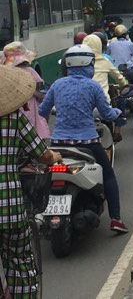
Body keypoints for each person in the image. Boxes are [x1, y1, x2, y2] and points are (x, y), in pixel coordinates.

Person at [39, 45, 129, 233]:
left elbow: (42, 111)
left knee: (44, 176)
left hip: (58, 144)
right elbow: (107, 113)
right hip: (88, 142)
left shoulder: (57, 84)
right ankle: (116, 219)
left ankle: (38, 215)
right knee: (108, 175)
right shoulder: (93, 86)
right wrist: (117, 112)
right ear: (89, 64)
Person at [0, 66, 61, 297]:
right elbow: (41, 153)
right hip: (10, 210)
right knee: (20, 261)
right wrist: (53, 156)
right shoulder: (14, 117)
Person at [83, 34, 128, 142]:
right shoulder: (105, 60)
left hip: (83, 104)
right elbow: (119, 78)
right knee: (119, 106)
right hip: (103, 105)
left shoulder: (80, 62)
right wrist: (124, 83)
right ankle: (116, 132)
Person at [2, 42, 51, 139]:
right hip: (28, 110)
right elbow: (42, 93)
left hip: (9, 111)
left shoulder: (5, 74)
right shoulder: (30, 72)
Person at [107, 24, 133, 96]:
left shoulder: (111, 44)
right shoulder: (129, 44)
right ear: (125, 34)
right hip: (127, 70)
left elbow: (107, 56)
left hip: (115, 71)